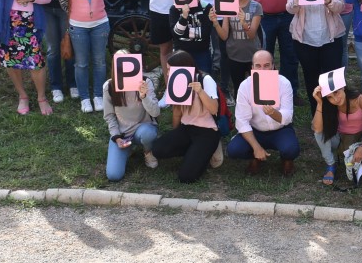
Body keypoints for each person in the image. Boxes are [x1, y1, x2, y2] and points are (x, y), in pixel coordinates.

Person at [60, 0, 116, 113]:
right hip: (78, 26)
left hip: (100, 23)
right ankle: (85, 97)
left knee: (99, 62)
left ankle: (98, 95)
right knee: (81, 63)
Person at [286, 0, 346, 105]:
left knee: (332, 81)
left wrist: (330, 1)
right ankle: (317, 119)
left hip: (330, 39)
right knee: (311, 79)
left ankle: (333, 119)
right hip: (305, 39)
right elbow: (290, 9)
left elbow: (340, 7)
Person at [150, 50, 221, 183]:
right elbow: (177, 112)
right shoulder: (176, 83)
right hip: (187, 128)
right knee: (158, 149)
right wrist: (175, 135)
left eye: (170, 70)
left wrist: (200, 91)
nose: (167, 73)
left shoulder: (205, 79)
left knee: (186, 177)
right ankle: (194, 152)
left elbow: (214, 109)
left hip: (207, 131)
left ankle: (208, 152)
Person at [226, 50, 300, 175]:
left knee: (291, 149)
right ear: (252, 68)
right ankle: (255, 156)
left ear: (273, 66)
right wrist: (256, 147)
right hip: (255, 130)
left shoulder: (284, 83)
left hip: (280, 129)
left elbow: (287, 117)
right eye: (258, 66)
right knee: (234, 150)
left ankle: (286, 159)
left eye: (266, 65)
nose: (263, 70)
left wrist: (273, 113)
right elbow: (242, 121)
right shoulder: (245, 86)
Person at [312, 82, 362, 185]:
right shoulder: (329, 104)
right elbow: (317, 129)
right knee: (318, 132)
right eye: (330, 97)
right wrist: (319, 103)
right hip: (341, 138)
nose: (335, 99)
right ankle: (331, 165)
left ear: (343, 87)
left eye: (336, 92)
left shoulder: (361, 99)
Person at [102, 52, 160, 181]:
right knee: (113, 175)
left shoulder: (145, 82)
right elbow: (109, 116)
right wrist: (116, 137)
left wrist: (144, 97)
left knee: (147, 134)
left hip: (143, 129)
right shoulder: (109, 86)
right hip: (123, 134)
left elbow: (156, 113)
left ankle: (147, 151)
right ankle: (128, 149)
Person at [209, 0, 262, 91]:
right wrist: (216, 22)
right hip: (234, 56)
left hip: (254, 56)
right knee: (239, 89)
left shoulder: (256, 7)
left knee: (257, 90)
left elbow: (252, 34)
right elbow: (224, 36)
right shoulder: (228, 5)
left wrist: (244, 23)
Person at [38, 0, 76, 103]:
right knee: (53, 49)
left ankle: (73, 83)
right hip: (46, 10)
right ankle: (56, 87)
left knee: (68, 45)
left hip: (64, 9)